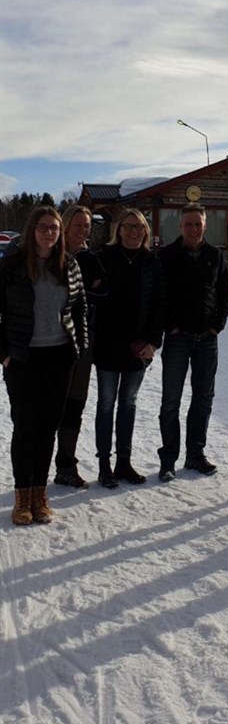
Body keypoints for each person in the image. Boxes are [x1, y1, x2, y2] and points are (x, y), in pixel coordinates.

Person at [1, 206, 87, 525]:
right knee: (25, 428)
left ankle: (40, 493)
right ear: (32, 230)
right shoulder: (12, 265)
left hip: (59, 357)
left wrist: (79, 347)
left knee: (48, 428)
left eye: (53, 228)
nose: (49, 233)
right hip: (23, 359)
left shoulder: (69, 265)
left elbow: (80, 309)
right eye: (43, 227)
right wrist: (4, 353)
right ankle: (22, 496)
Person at [157, 203, 228, 481]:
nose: (193, 228)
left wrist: (217, 326)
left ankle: (195, 454)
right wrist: (170, 326)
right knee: (170, 401)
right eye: (188, 224)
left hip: (206, 340)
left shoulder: (215, 255)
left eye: (197, 224)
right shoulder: (167, 255)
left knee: (203, 398)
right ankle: (168, 459)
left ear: (205, 225)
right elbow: (160, 295)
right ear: (180, 226)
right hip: (178, 339)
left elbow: (224, 293)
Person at [93, 208, 164, 488]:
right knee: (106, 404)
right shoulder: (104, 257)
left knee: (128, 403)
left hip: (138, 346)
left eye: (139, 227)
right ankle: (104, 466)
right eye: (129, 226)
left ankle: (124, 462)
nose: (134, 231)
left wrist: (153, 342)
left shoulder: (152, 261)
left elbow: (159, 304)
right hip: (108, 344)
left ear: (145, 231)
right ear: (119, 230)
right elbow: (92, 298)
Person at [53, 204, 106, 489]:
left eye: (87, 226)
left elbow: (102, 291)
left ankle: (66, 465)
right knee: (49, 406)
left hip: (83, 340)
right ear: (65, 225)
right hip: (49, 341)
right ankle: (35, 470)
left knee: (75, 403)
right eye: (78, 225)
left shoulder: (90, 258)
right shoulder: (49, 255)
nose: (83, 230)